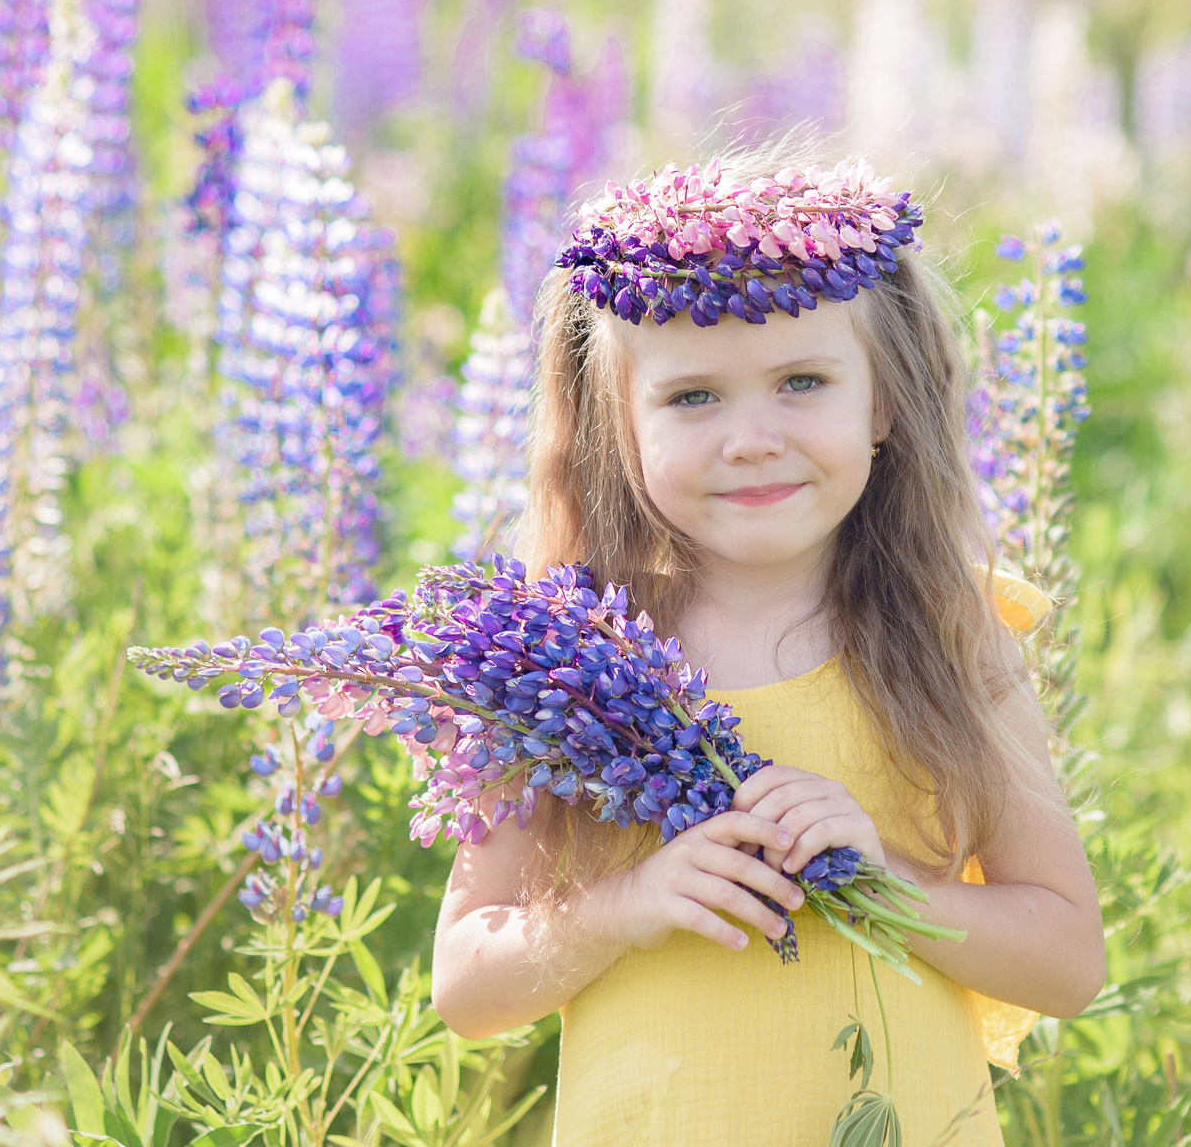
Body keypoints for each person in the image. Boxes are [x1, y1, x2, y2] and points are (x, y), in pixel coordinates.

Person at [430, 154, 1105, 1145]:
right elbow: (467, 985)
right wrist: (628, 904)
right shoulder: (567, 659)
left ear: (881, 402)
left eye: (801, 382)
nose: (751, 437)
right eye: (693, 397)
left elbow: (1066, 963)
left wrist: (881, 883)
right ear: (618, 424)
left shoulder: (952, 635)